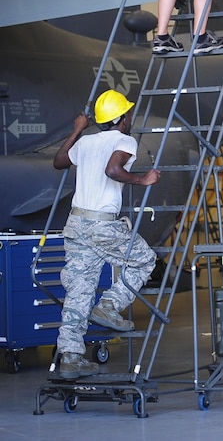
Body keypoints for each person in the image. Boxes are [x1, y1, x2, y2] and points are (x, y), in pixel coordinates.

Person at [53, 89, 161, 380]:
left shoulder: (86, 142)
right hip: (103, 225)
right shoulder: (125, 140)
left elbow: (60, 161)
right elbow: (113, 169)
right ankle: (109, 306)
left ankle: (71, 356)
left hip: (76, 224)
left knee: (79, 289)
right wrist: (142, 179)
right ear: (123, 119)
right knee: (145, 261)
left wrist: (77, 129)